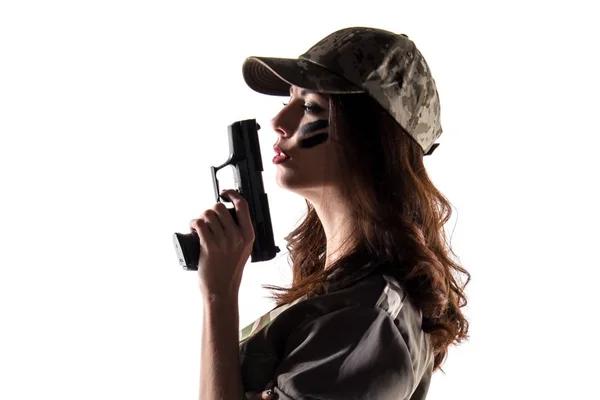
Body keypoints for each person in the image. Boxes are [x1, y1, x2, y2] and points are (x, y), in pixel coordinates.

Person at [190, 27, 471, 400]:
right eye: (289, 98)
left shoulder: (367, 321)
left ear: (370, 137)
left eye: (310, 107)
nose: (278, 121)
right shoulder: (346, 298)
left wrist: (219, 298)